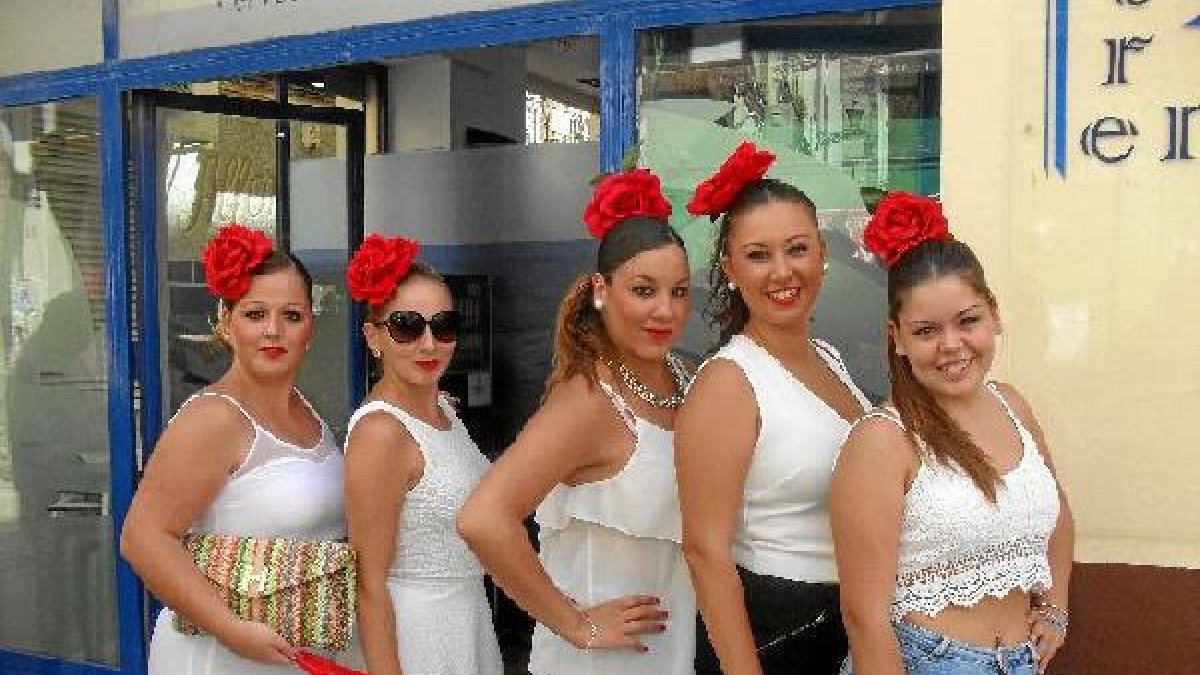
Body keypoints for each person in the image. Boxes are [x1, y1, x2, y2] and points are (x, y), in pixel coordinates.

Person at [458, 167, 695, 675]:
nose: (665, 310)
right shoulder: (588, 400)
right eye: (644, 290)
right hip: (599, 661)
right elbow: (483, 518)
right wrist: (576, 624)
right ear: (601, 290)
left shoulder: (682, 378)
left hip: (669, 650)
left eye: (679, 291)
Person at [829, 192, 1073, 675]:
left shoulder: (1013, 406)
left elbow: (1058, 514)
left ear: (994, 315)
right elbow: (864, 617)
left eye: (968, 321)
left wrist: (1055, 609)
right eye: (926, 331)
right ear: (898, 338)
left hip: (1020, 661)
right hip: (924, 660)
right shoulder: (883, 440)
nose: (951, 345)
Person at [674, 142, 870, 675]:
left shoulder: (829, 358)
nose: (782, 271)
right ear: (730, 267)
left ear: (823, 255)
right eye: (759, 255)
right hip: (775, 634)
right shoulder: (729, 382)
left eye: (797, 249)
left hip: (843, 626)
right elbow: (705, 552)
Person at [121, 224, 346, 674]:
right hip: (222, 654)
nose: (273, 331)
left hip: (291, 649)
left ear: (310, 329)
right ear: (226, 322)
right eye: (255, 314)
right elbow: (143, 539)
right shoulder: (214, 419)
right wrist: (229, 629)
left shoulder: (307, 411)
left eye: (292, 316)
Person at [339, 234, 502, 675]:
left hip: (466, 620)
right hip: (414, 636)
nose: (429, 344)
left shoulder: (445, 413)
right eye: (407, 326)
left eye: (443, 325)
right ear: (373, 336)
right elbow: (369, 582)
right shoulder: (380, 433)